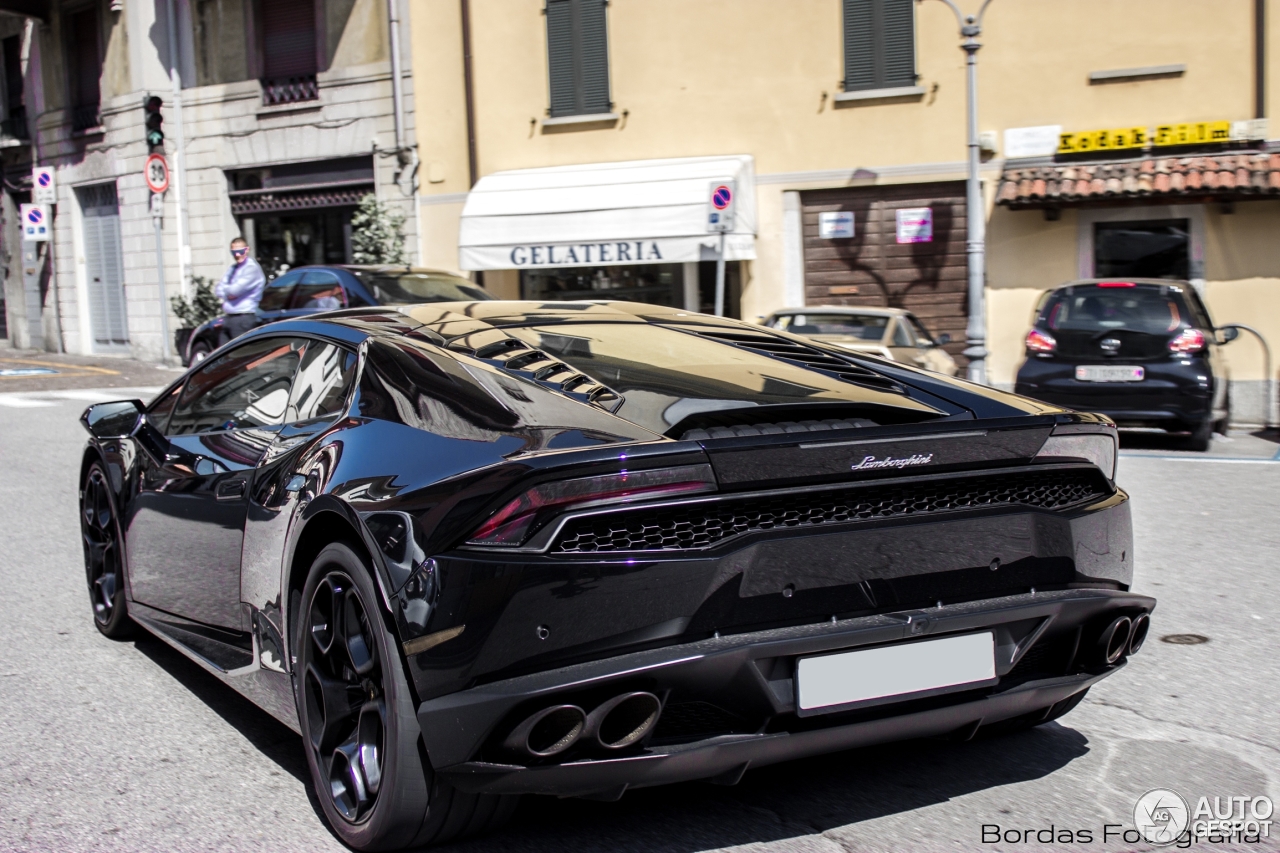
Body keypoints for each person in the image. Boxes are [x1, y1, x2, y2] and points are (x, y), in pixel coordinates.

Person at [214, 237, 265, 347]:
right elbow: (218, 289)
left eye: (240, 251)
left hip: (243, 319)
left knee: (241, 356)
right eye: (233, 252)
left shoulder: (251, 268)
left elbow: (235, 291)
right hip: (229, 317)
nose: (237, 255)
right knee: (224, 356)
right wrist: (228, 293)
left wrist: (227, 291)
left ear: (247, 250)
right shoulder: (233, 268)